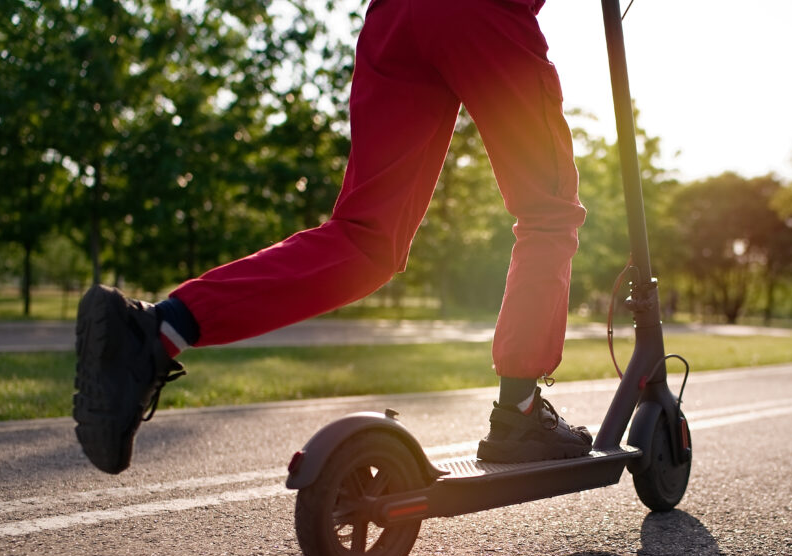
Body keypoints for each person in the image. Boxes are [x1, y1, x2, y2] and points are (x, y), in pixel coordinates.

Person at [73, 0, 593, 475]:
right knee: (548, 212)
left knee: (366, 240)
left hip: (395, 17)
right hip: (481, 13)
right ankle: (520, 413)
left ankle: (156, 329)